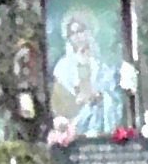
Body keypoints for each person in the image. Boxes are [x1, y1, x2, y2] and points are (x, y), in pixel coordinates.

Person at [48, 13, 124, 143]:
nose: (77, 37)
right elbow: (59, 102)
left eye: (80, 31)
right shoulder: (63, 67)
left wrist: (100, 95)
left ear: (88, 32)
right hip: (76, 122)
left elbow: (113, 92)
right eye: (73, 33)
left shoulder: (101, 63)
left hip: (102, 117)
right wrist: (78, 100)